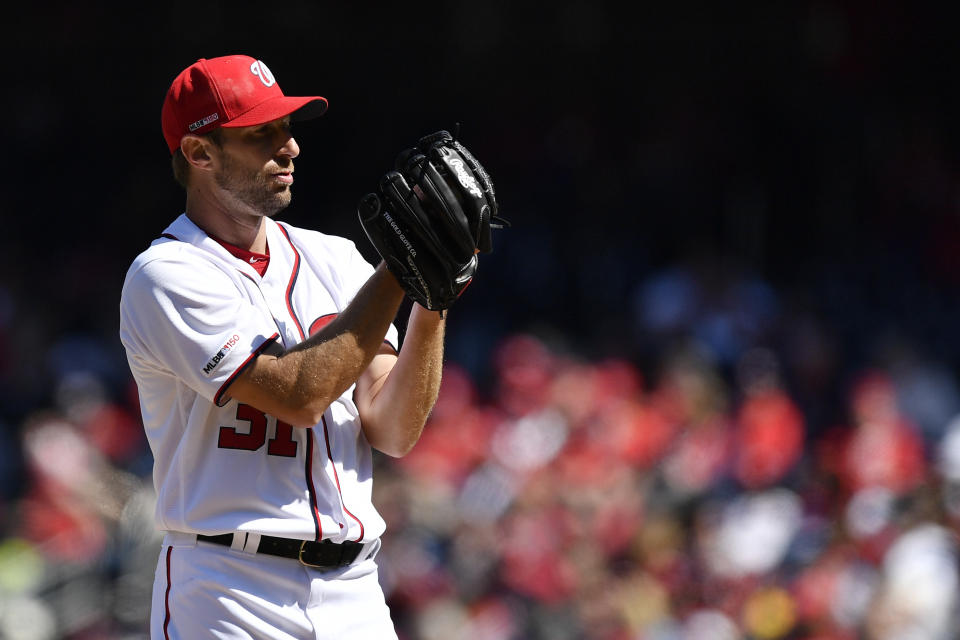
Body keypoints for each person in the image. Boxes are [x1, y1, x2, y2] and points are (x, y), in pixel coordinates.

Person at [119, 54, 447, 639]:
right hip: (228, 591)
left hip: (356, 592)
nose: (289, 146)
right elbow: (300, 394)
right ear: (199, 154)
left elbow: (394, 430)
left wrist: (434, 295)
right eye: (261, 132)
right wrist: (400, 267)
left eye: (288, 127)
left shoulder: (337, 259)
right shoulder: (166, 274)